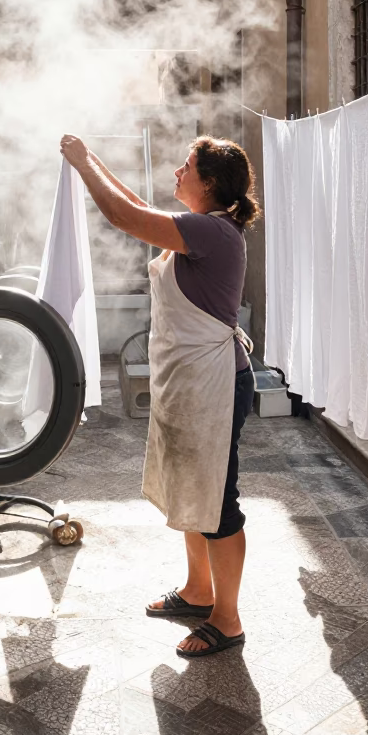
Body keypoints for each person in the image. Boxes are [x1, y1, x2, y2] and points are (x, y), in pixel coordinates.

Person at [59, 132, 259, 659]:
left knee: (217, 500)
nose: (177, 171)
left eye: (186, 165)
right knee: (193, 488)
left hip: (214, 384)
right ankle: (198, 592)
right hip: (193, 381)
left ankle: (228, 618)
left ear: (209, 183)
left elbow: (126, 218)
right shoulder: (203, 229)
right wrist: (91, 161)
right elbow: (139, 209)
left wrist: (83, 166)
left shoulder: (211, 232)